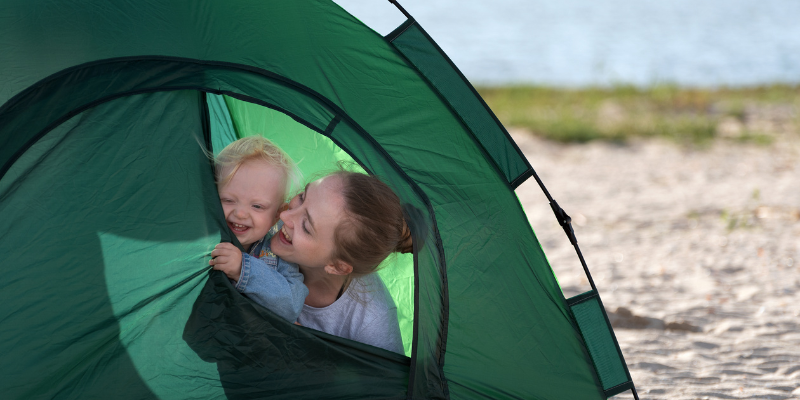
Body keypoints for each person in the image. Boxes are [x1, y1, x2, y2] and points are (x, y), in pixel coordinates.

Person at [270, 170, 412, 354]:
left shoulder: (372, 325)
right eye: (302, 197)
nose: (285, 217)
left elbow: (386, 381)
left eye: (306, 226)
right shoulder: (268, 222)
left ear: (337, 267)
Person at [208, 136, 308, 323]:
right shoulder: (205, 234)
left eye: (257, 206)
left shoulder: (276, 251)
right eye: (228, 200)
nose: (240, 214)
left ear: (277, 215)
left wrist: (243, 269)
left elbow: (292, 306)